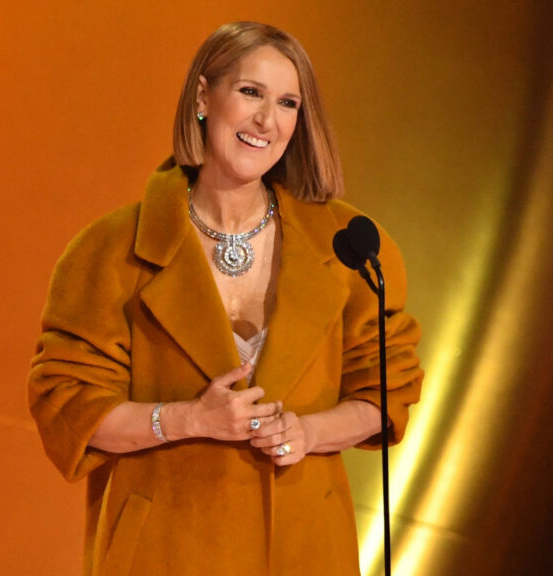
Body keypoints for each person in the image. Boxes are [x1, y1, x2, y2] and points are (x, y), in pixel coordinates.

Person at [28, 21, 423, 576]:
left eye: (287, 103)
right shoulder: (110, 250)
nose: (267, 120)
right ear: (202, 97)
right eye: (250, 92)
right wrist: (187, 419)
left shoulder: (349, 247)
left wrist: (309, 431)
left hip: (306, 553)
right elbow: (70, 407)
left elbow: (386, 389)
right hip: (163, 553)